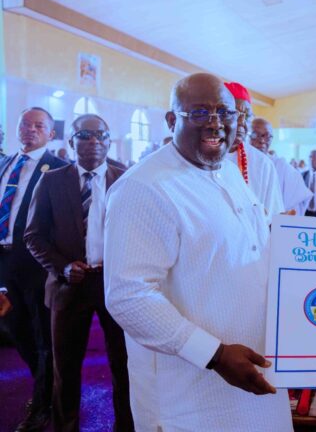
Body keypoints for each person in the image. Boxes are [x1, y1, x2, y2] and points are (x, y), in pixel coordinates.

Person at [104, 73, 292, 431]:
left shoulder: (228, 171)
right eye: (200, 112)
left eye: (226, 112)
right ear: (171, 120)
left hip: (253, 375)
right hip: (190, 397)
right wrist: (214, 355)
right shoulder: (144, 188)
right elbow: (129, 296)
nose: (216, 123)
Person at [24, 114, 134, 432]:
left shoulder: (126, 180)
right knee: (66, 369)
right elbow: (33, 236)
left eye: (100, 135)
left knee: (124, 365)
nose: (93, 141)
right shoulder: (52, 181)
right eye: (84, 135)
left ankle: (127, 426)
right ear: (71, 141)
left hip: (114, 284)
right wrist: (62, 267)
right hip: (68, 285)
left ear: (109, 141)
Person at [0, 108, 67, 431]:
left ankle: (42, 406)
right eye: (25, 124)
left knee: (43, 337)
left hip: (36, 264)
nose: (31, 130)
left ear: (51, 134)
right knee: (16, 329)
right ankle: (45, 388)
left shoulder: (59, 169)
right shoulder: (5, 164)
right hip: (4, 262)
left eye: (39, 126)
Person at [224, 82, 283, 220]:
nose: (241, 122)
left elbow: (274, 217)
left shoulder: (263, 164)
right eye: (234, 114)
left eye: (247, 116)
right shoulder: (202, 158)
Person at [249, 118, 311, 215]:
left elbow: (298, 201)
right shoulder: (236, 163)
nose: (262, 140)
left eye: (267, 136)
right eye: (255, 135)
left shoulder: (282, 167)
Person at [302, 150, 316, 217]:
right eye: (310, 157)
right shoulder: (304, 175)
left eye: (314, 157)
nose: (311, 160)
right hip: (306, 213)